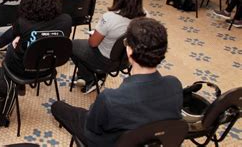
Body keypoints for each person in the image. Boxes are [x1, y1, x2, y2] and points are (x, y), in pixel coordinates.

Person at [51, 18, 183, 146]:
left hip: (106, 141)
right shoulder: (175, 85)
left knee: (58, 107)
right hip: (147, 139)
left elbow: (92, 127)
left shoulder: (110, 98)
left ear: (129, 51)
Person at [72, 0, 146, 94]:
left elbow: (93, 43)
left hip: (104, 61)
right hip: (126, 60)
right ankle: (92, 75)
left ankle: (91, 77)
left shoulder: (110, 18)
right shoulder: (146, 17)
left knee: (72, 45)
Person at [0, 0, 72, 71]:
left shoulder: (23, 23)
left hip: (23, 68)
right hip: (51, 65)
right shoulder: (67, 20)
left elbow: (15, 35)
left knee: (13, 44)